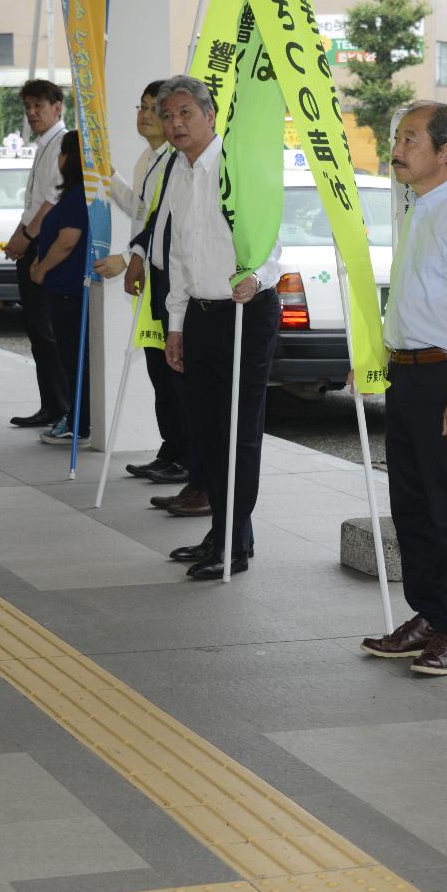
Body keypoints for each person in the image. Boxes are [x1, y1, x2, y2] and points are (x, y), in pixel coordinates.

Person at [360, 101, 447, 676]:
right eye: (398, 137)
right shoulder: (418, 209)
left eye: (411, 138)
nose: (398, 147)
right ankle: (429, 614)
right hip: (407, 373)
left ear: (445, 152)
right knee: (412, 504)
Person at [156, 75, 283, 579]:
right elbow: (180, 256)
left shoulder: (238, 164)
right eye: (168, 116)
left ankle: (234, 543)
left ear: (211, 115)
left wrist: (256, 276)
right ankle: (224, 533)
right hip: (202, 317)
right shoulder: (178, 171)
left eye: (185, 112)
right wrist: (176, 324)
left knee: (239, 432)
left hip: (245, 313)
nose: (175, 123)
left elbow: (272, 242)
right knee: (207, 430)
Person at [101, 79, 190, 487]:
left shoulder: (176, 159)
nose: (145, 115)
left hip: (168, 277)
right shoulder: (148, 158)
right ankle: (170, 450)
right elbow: (139, 210)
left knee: (173, 372)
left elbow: (161, 222)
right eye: (142, 107)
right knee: (158, 368)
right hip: (151, 275)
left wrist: (129, 256)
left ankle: (184, 456)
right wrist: (107, 177)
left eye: (153, 108)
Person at [4, 80, 71, 429]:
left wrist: (26, 237)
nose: (32, 113)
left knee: (47, 330)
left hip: (44, 245)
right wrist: (19, 234)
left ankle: (60, 407)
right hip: (33, 241)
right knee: (37, 329)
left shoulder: (61, 143)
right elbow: (34, 202)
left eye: (39, 106)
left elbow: (51, 200)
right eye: (28, 107)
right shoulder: (45, 145)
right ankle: (50, 405)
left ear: (57, 107)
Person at [27, 131, 96, 446]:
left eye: (62, 154)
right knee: (70, 356)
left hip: (69, 288)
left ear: (70, 158)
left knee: (74, 358)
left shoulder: (79, 194)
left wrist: (41, 268)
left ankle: (79, 423)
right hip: (63, 287)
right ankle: (76, 417)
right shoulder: (73, 193)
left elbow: (68, 241)